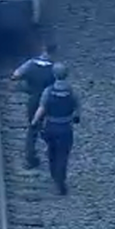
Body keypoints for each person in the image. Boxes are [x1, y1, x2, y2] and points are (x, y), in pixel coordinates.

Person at [31, 62, 81, 195]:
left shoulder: (48, 91)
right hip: (65, 127)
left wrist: (35, 121)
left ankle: (54, 175)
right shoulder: (71, 91)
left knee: (52, 152)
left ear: (54, 74)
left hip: (51, 127)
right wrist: (76, 117)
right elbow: (77, 109)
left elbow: (42, 108)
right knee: (63, 155)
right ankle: (61, 178)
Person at [10, 42, 58, 168]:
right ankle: (53, 154)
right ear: (54, 53)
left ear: (43, 49)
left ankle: (30, 158)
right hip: (50, 101)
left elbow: (15, 75)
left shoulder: (31, 64)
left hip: (34, 99)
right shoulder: (54, 68)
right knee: (50, 126)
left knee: (33, 129)